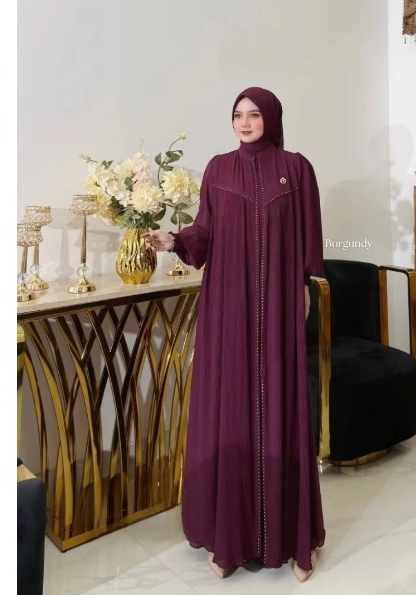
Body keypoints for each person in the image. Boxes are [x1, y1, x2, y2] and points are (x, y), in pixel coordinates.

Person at [142, 87, 325, 582]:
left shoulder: (296, 168)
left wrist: (304, 285)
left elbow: (308, 232)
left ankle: (295, 541)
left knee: (282, 403)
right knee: (232, 406)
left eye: (255, 114)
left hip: (280, 302)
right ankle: (228, 540)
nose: (245, 122)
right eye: (238, 115)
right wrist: (174, 239)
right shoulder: (218, 170)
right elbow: (205, 231)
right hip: (229, 304)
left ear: (272, 118)